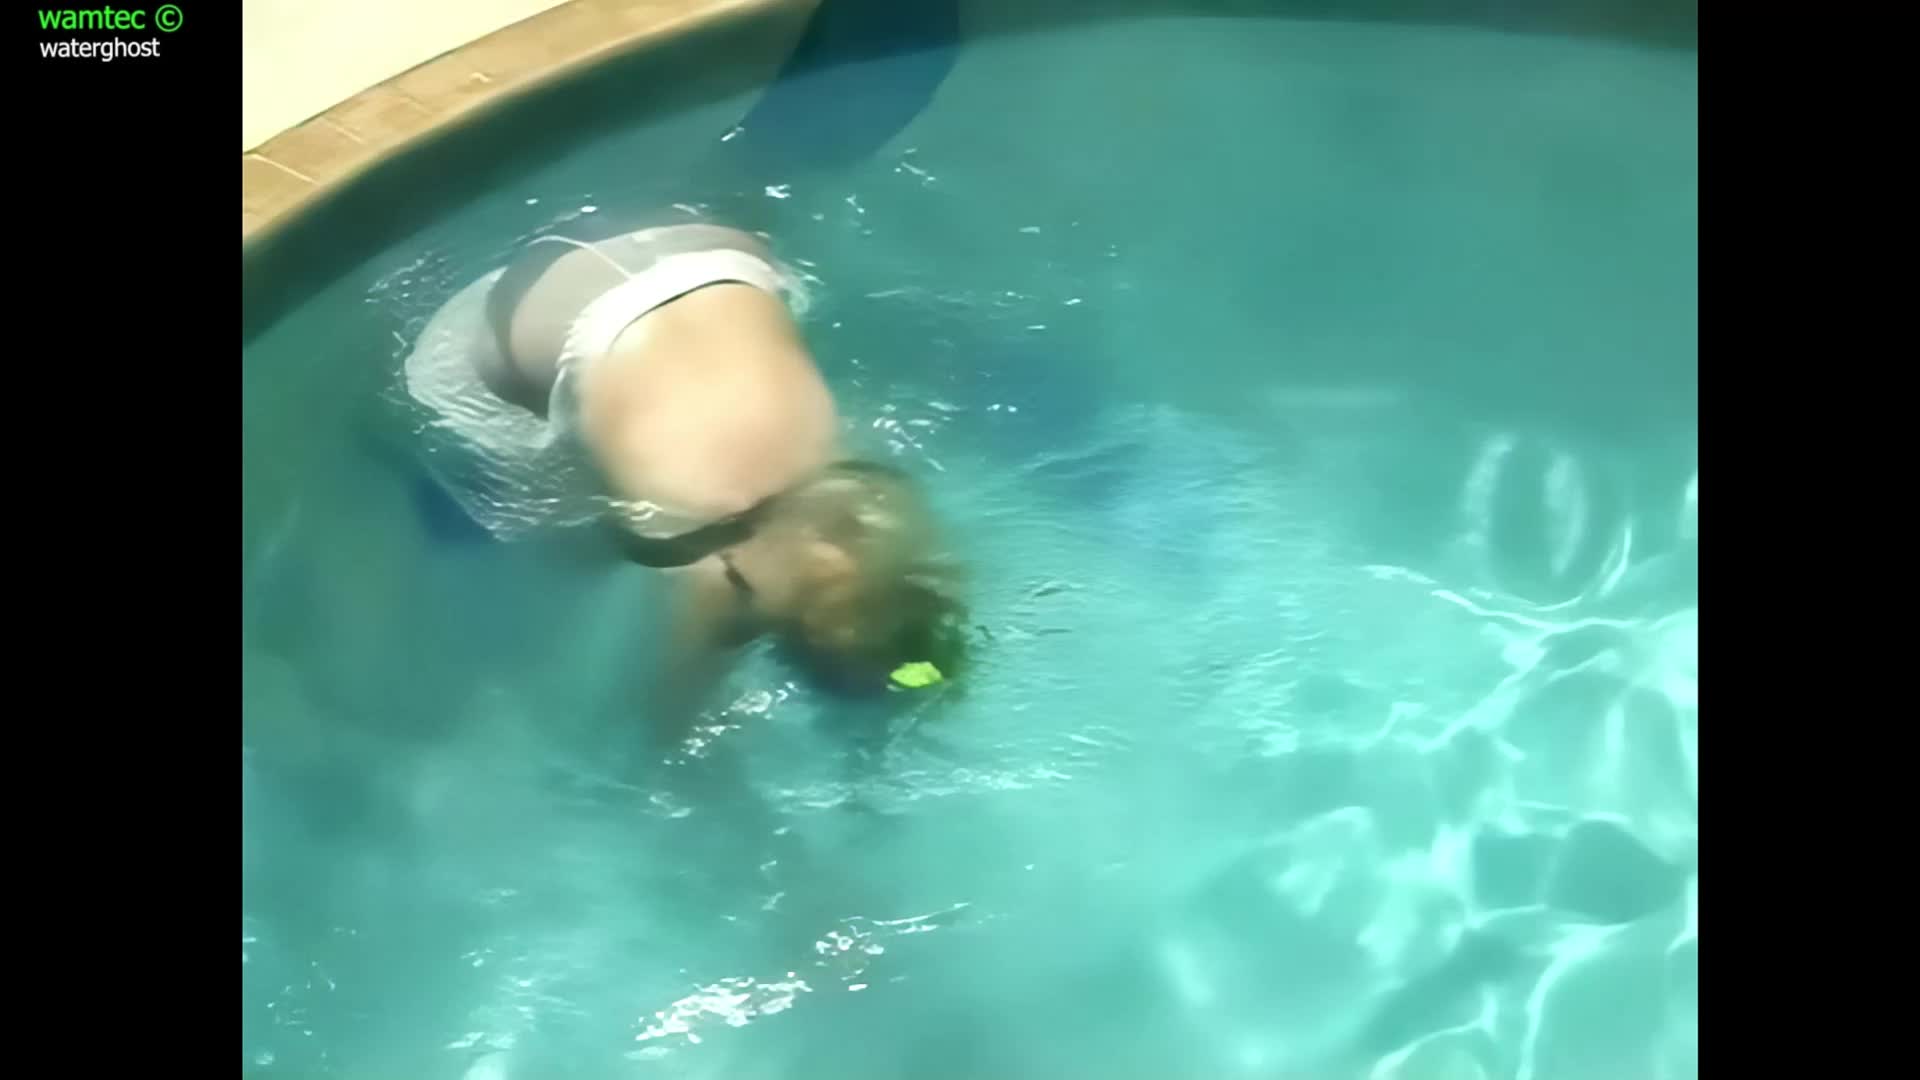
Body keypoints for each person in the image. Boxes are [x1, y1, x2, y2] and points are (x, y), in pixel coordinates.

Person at [401, 218, 971, 746]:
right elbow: (669, 718)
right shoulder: (709, 559)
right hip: (523, 321)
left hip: (704, 250)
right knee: (538, 528)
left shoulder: (871, 494)